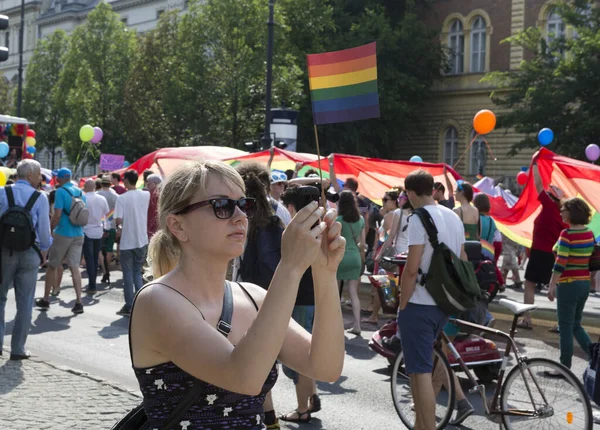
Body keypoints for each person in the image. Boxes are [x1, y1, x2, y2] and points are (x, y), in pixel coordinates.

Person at [129, 161, 345, 428]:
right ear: (178, 225)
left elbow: (325, 367)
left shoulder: (253, 296)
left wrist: (325, 272)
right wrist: (289, 266)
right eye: (222, 206)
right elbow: (244, 378)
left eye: (245, 204)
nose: (241, 216)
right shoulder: (157, 301)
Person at [398, 169, 467, 430]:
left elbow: (411, 269)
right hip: (445, 303)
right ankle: (419, 425)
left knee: (419, 374)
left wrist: (403, 304)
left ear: (411, 193)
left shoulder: (418, 219)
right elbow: (462, 260)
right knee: (427, 365)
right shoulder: (453, 216)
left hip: (420, 304)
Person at [275, 184, 323, 424]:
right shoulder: (323, 226)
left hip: (301, 299)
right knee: (311, 351)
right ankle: (311, 394)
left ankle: (302, 408)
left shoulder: (295, 232)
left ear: (292, 207)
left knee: (300, 355)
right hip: (320, 299)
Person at [0, 159, 52, 360]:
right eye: (39, 174)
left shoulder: (3, 192)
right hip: (30, 252)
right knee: (25, 301)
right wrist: (44, 251)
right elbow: (44, 232)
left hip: (4, 251)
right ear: (30, 175)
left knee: (0, 298)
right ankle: (18, 349)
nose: (40, 178)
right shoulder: (40, 197)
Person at [547, 197, 594, 373]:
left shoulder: (567, 235)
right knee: (576, 325)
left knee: (565, 327)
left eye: (564, 209)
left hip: (568, 284)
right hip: (584, 284)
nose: (561, 212)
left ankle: (564, 368)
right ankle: (595, 358)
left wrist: (552, 284)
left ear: (572, 212)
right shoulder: (589, 233)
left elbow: (561, 262)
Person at [519, 162, 567, 329]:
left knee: (529, 284)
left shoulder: (548, 206)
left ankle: (527, 319)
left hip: (540, 253)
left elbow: (538, 184)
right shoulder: (563, 215)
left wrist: (535, 164)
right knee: (558, 289)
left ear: (551, 197)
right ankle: (561, 323)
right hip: (554, 255)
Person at [36, 168, 86, 314]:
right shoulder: (81, 192)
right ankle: (79, 302)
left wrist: (50, 229)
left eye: (57, 177)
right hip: (78, 233)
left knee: (52, 266)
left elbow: (57, 215)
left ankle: (45, 299)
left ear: (61, 178)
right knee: (74, 268)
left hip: (63, 233)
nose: (56, 179)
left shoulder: (60, 192)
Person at [115, 169, 150, 316]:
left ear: (127, 181)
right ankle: (140, 303)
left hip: (127, 241)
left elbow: (118, 220)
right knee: (137, 272)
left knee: (128, 274)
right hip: (142, 239)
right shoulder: (146, 194)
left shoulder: (122, 198)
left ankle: (129, 305)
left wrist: (118, 228)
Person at [336, 190, 365, 335]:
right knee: (353, 293)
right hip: (355, 257)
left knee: (335, 292)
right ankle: (357, 325)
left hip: (340, 257)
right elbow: (362, 243)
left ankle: (335, 324)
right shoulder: (360, 220)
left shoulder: (338, 220)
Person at [82, 179, 109, 294]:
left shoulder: (83, 198)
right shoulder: (102, 199)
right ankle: (92, 284)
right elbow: (107, 215)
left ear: (86, 187)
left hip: (86, 231)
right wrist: (106, 227)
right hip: (98, 231)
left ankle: (92, 285)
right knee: (95, 258)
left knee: (90, 259)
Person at [97, 175, 118, 284]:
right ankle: (107, 268)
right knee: (109, 249)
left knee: (100, 250)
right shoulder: (116, 196)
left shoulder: (97, 195)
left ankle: (104, 270)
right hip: (112, 225)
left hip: (100, 225)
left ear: (101, 184)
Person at [146, 173, 162, 241]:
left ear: (154, 184)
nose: (147, 185)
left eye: (148, 184)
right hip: (160, 226)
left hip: (151, 226)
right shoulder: (162, 193)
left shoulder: (151, 194)